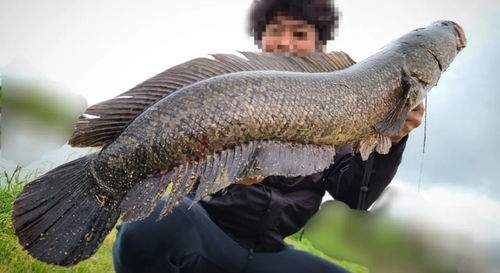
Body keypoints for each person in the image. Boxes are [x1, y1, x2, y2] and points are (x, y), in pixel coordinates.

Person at [112, 1, 425, 272]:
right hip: (201, 232)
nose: (286, 42)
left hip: (268, 254)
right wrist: (227, 171)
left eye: (301, 34)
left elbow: (355, 196)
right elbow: (178, 154)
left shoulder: (341, 118)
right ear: (261, 39)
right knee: (149, 226)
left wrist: (392, 140)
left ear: (320, 46)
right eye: (276, 31)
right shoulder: (226, 91)